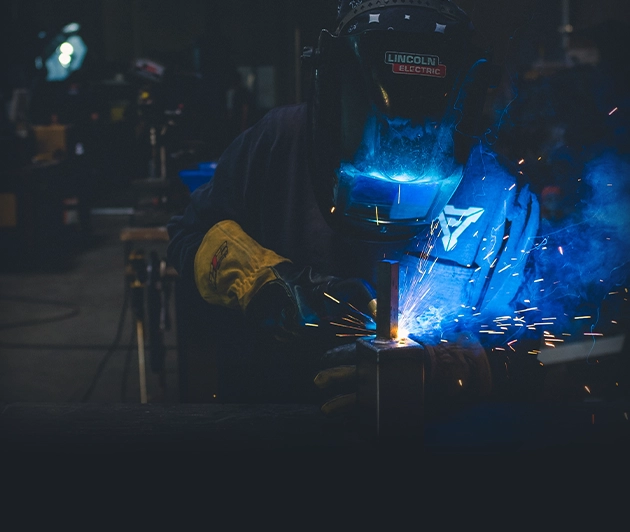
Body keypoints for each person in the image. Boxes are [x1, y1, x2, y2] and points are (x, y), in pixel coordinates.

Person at [167, 0, 542, 412]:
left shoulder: (501, 197)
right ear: (335, 94)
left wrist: (442, 370)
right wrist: (260, 281)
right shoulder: (278, 144)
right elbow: (188, 238)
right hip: (274, 424)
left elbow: (526, 345)